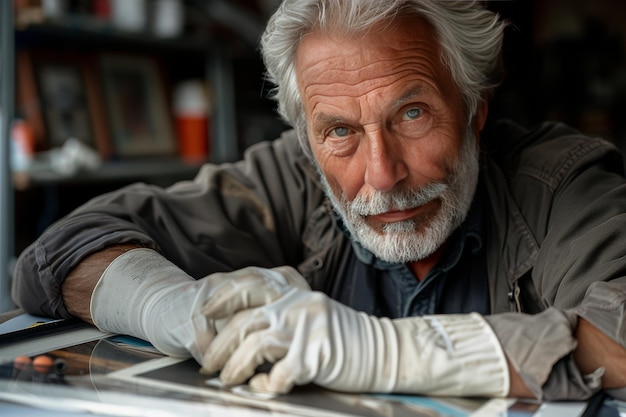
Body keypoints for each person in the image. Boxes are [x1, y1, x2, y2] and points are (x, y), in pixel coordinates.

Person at [11, 0, 626, 402]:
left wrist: (378, 352)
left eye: (412, 114)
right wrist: (172, 308)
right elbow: (61, 254)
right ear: (307, 138)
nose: (381, 176)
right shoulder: (291, 177)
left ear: (474, 110)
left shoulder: (561, 184)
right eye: (340, 132)